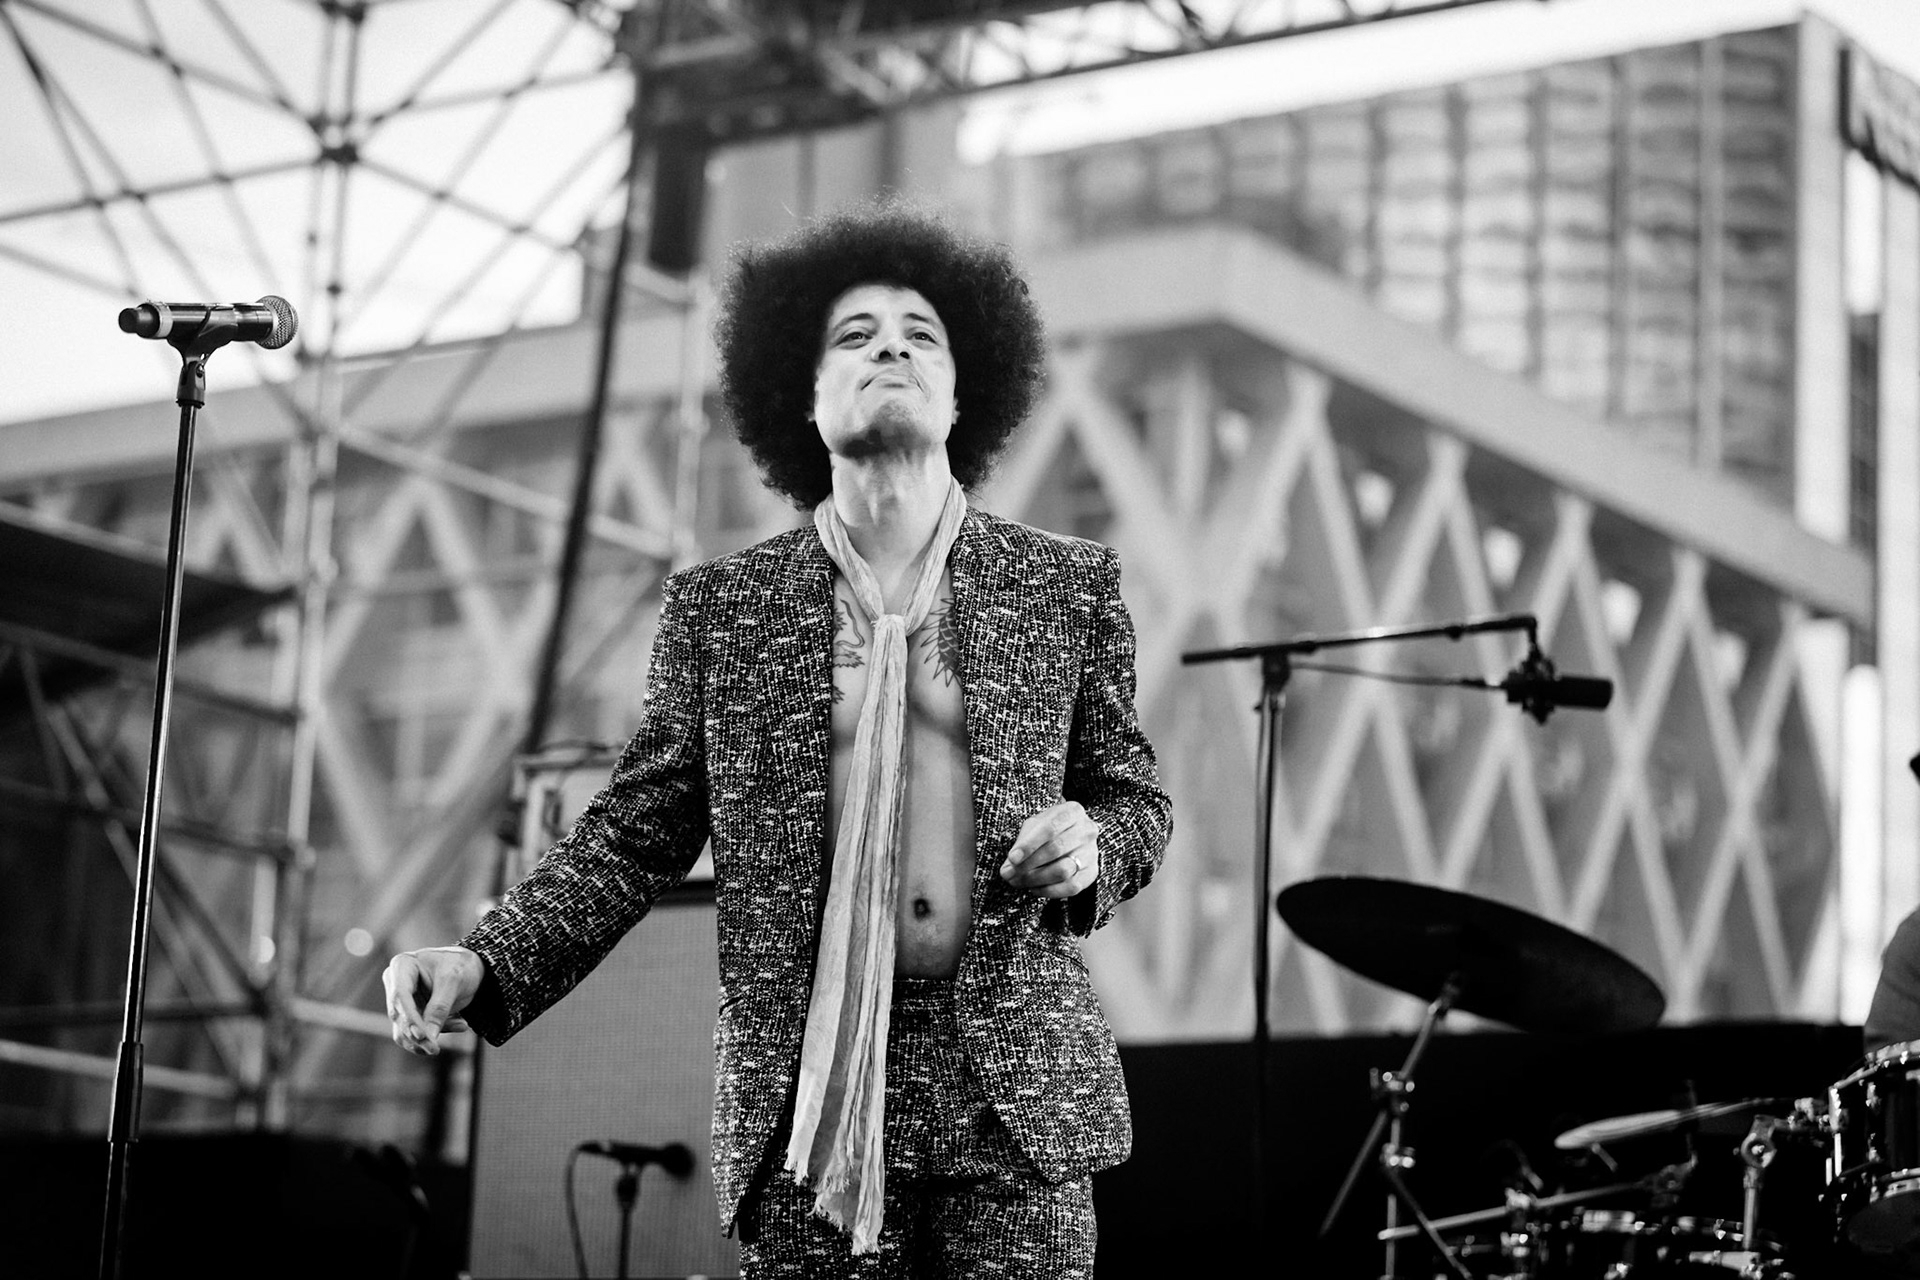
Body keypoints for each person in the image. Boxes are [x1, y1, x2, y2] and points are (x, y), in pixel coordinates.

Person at [381, 199, 1172, 1277]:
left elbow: (1137, 800)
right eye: (854, 335)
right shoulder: (723, 609)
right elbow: (632, 833)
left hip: (1014, 1093)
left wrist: (1090, 844)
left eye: (920, 334)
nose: (889, 344)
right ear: (800, 395)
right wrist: (482, 957)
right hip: (809, 1097)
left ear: (960, 387)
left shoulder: (1066, 586)